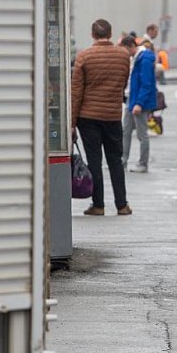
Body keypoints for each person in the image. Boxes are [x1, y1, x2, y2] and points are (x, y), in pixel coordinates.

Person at [71, 19, 133, 216]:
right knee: (115, 160)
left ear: (92, 35)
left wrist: (71, 123)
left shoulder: (84, 57)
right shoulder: (123, 56)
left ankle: (98, 205)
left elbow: (76, 93)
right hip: (112, 115)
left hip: (88, 117)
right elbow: (123, 83)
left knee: (94, 160)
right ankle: (122, 205)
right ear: (110, 34)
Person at [121, 35, 156, 173]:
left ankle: (143, 163)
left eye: (125, 49)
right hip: (132, 98)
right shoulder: (136, 58)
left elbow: (146, 84)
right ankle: (123, 160)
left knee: (142, 134)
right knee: (126, 131)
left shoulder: (144, 59)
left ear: (131, 46)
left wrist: (139, 103)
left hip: (139, 101)